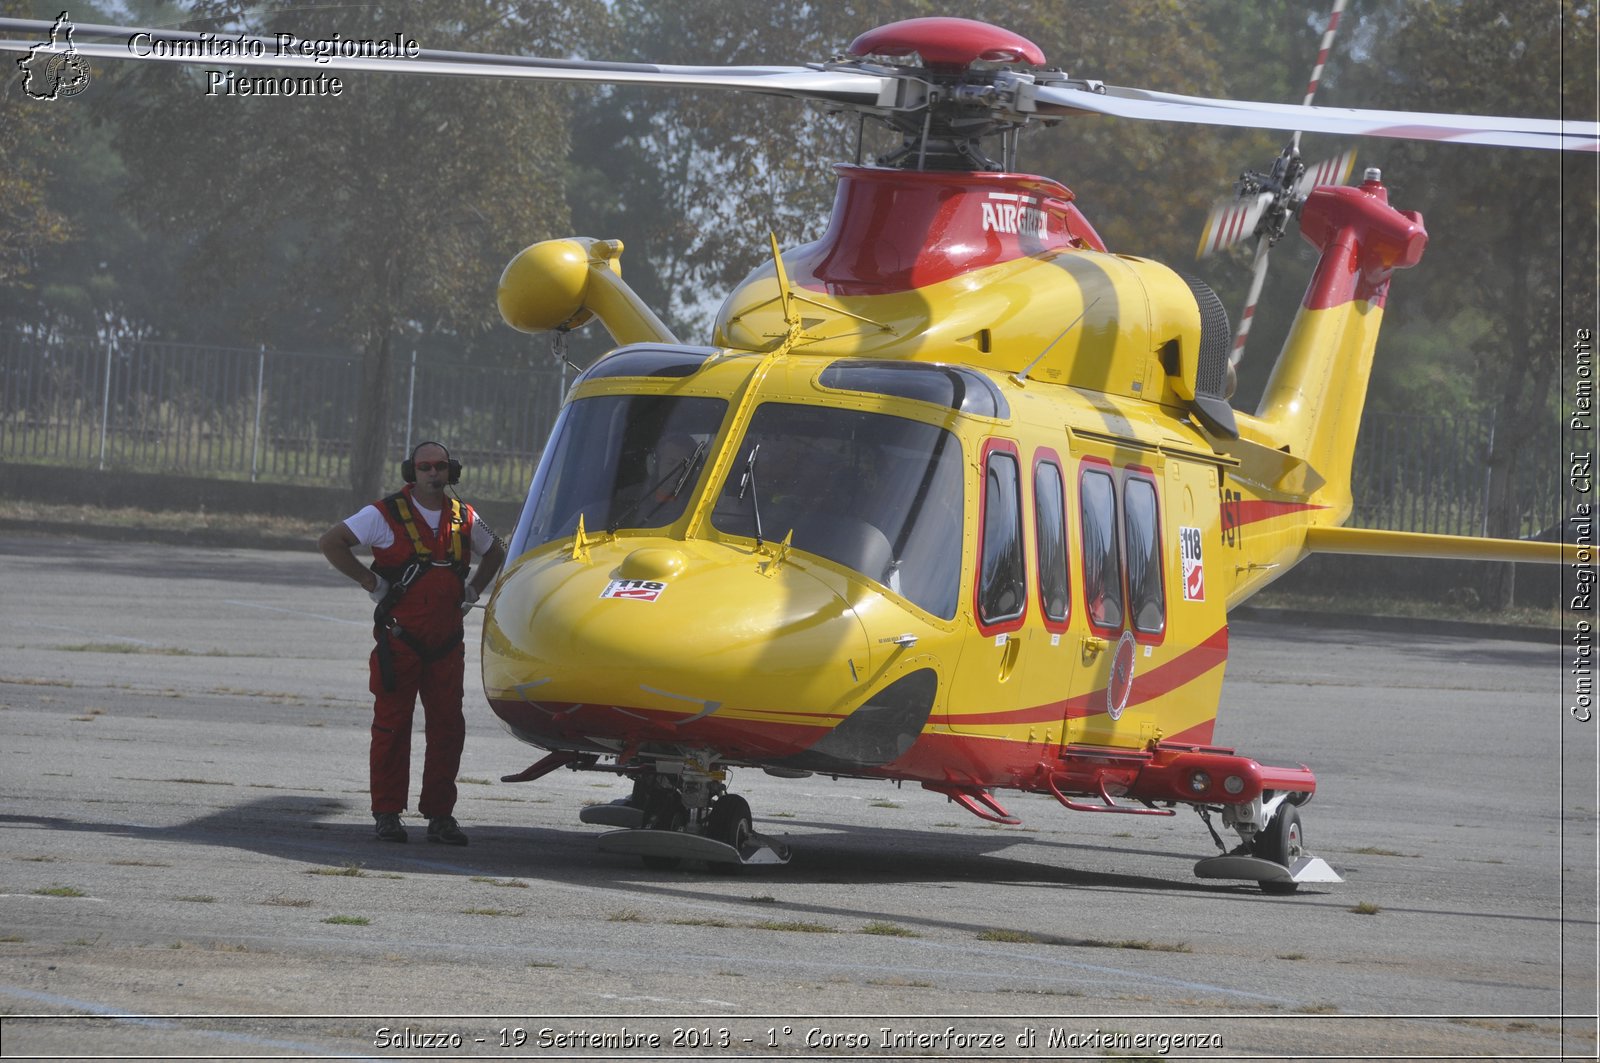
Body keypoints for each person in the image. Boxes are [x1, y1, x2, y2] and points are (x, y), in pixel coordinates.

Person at [319, 441, 506, 845]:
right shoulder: (382, 514)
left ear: (451, 471)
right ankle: (387, 812)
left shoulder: (466, 517)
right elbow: (331, 541)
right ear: (412, 471)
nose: (434, 475)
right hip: (399, 643)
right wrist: (370, 581)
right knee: (391, 726)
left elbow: (498, 551)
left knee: (448, 729)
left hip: (445, 646)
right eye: (425, 468)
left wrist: (473, 589)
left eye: (440, 467)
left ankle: (440, 815)